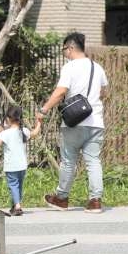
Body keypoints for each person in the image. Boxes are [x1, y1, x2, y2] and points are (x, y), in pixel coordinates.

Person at [40, 32, 109, 213]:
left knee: (69, 161)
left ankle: (61, 198)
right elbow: (103, 94)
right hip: (95, 121)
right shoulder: (98, 67)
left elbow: (61, 91)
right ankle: (95, 201)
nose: (64, 53)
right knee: (93, 161)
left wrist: (44, 110)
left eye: (64, 50)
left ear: (70, 48)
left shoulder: (69, 67)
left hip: (74, 123)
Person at [0, 105, 40, 216]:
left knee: (13, 185)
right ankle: (15, 206)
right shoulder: (23, 131)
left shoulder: (5, 133)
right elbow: (35, 133)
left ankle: (17, 206)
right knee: (18, 186)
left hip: (11, 166)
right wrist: (38, 122)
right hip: (22, 165)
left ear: (8, 119)